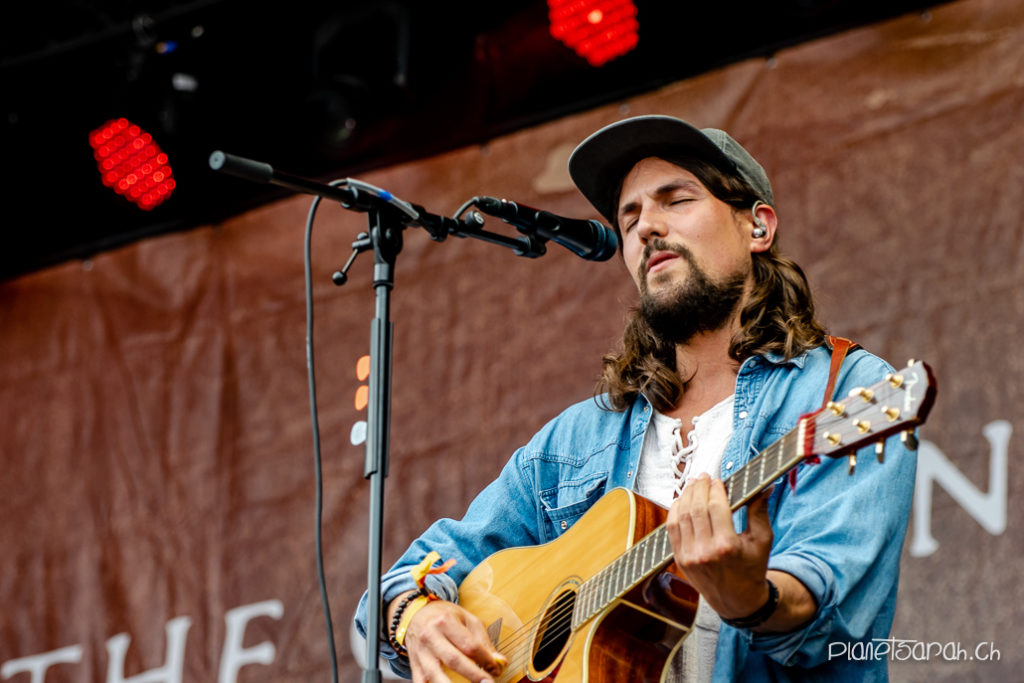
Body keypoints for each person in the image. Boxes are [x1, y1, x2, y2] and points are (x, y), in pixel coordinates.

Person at [355, 115, 917, 682]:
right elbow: (404, 581)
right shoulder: (574, 442)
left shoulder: (846, 393)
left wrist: (751, 597)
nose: (647, 226)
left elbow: (836, 619)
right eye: (630, 217)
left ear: (758, 228)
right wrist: (414, 615)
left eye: (675, 200)